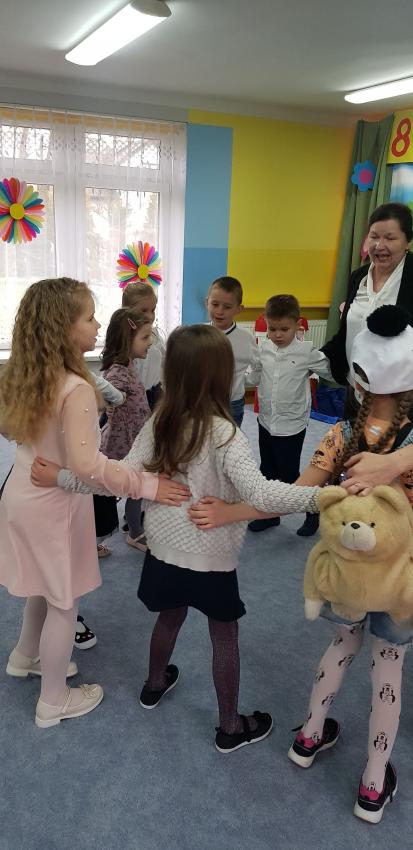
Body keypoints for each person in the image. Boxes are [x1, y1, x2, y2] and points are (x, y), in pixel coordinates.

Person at [32, 325, 321, 751]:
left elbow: (118, 476)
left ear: (172, 373)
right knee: (224, 635)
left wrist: (62, 477)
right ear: (222, 375)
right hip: (211, 560)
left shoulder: (159, 424)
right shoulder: (227, 435)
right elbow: (262, 495)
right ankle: (230, 726)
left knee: (169, 617)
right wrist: (322, 497)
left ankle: (154, 683)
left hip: (164, 553)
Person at [189, 305, 413, 823]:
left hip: (347, 573)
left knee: (342, 645)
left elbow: (290, 495)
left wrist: (231, 513)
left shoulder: (340, 435)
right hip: (400, 574)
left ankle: (310, 736)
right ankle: (373, 783)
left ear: (357, 376)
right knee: (388, 669)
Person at [0, 277, 189, 729]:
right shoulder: (77, 387)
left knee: (45, 587)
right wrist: (147, 485)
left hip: (22, 495)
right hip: (53, 507)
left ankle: (26, 655)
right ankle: (53, 700)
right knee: (64, 601)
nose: (99, 324)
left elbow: (13, 432)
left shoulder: (22, 374)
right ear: (64, 327)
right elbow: (89, 467)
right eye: (89, 317)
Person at [246, 295, 332, 537]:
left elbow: (330, 371)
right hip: (266, 422)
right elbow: (254, 377)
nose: (277, 334)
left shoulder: (306, 351)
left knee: (290, 475)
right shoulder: (263, 349)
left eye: (284, 329)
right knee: (267, 471)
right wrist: (236, 376)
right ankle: (270, 515)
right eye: (272, 329)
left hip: (292, 425)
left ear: (297, 325)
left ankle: (313, 509)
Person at [322, 202, 413, 387]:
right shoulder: (358, 277)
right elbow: (345, 334)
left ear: (407, 242)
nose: (379, 245)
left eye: (390, 238)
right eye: (374, 236)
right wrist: (309, 358)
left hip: (399, 395)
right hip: (356, 388)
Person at [97, 306, 153, 552]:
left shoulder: (129, 365)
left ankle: (134, 529)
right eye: (145, 337)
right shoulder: (119, 371)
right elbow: (108, 394)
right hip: (121, 445)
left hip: (133, 440)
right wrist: (111, 405)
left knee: (135, 488)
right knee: (115, 491)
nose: (150, 342)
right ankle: (123, 534)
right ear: (126, 341)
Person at [206, 276, 257, 427]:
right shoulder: (199, 334)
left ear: (239, 309)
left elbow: (259, 367)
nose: (219, 311)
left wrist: (244, 381)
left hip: (232, 404)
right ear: (207, 302)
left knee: (231, 439)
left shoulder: (246, 338)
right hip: (202, 402)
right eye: (215, 304)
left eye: (227, 307)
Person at [121, 282, 165, 411]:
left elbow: (165, 359)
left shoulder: (156, 334)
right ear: (127, 311)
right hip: (130, 396)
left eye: (153, 310)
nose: (150, 316)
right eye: (144, 311)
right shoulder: (123, 337)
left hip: (154, 393)